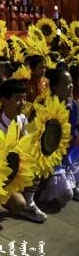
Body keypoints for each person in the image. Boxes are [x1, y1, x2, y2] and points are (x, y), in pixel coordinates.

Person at [0, 79, 45, 221]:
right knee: (18, 204)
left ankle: (29, 200)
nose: (22, 103)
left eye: (24, 98)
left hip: (18, 170)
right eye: (18, 99)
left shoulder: (21, 118)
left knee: (42, 161)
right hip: (4, 179)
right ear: (4, 100)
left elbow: (30, 142)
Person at [38, 68, 78, 206]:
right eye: (66, 84)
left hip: (66, 155)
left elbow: (73, 133)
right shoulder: (44, 105)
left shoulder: (73, 106)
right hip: (47, 157)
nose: (71, 86)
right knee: (66, 195)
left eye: (71, 82)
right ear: (54, 88)